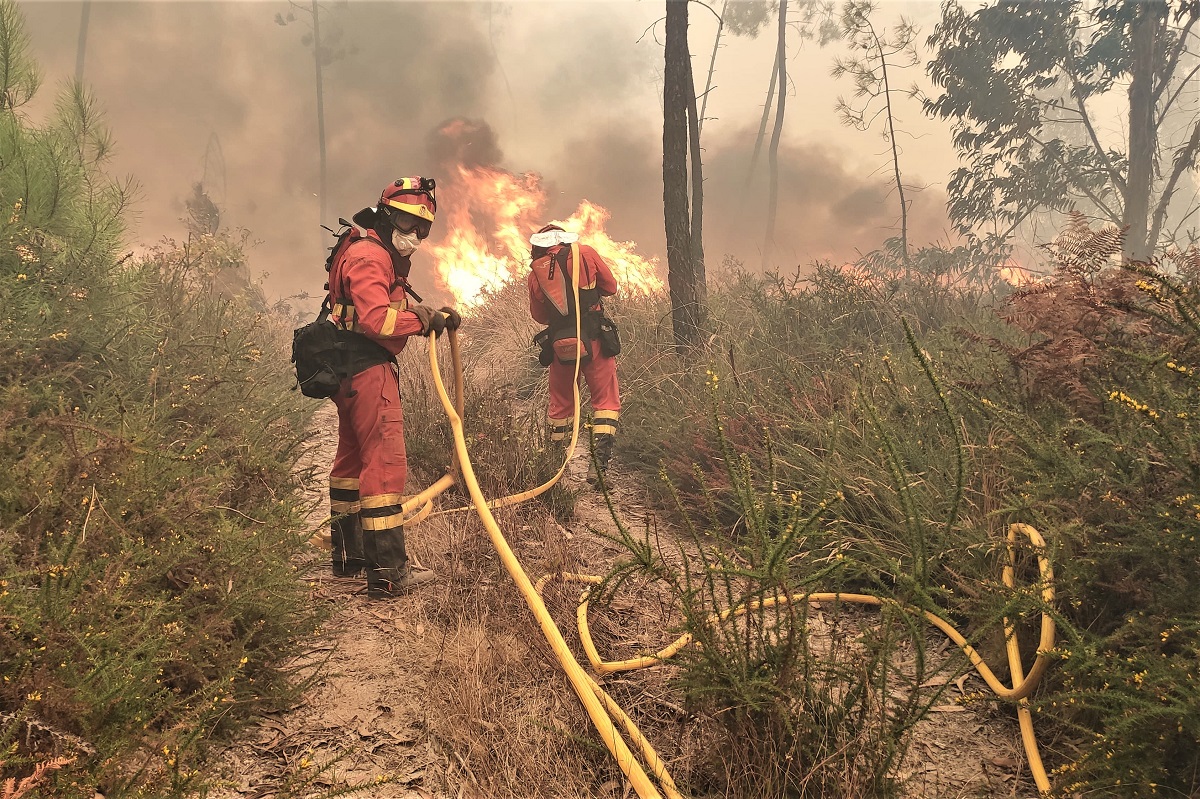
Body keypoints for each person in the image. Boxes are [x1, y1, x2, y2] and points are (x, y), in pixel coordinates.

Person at [326, 176, 462, 598]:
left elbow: (383, 305)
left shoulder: (369, 248)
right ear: (387, 215)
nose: (414, 235)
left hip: (347, 368)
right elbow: (375, 320)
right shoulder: (370, 255)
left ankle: (348, 558)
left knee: (350, 463)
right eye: (407, 223)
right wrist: (421, 322)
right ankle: (388, 574)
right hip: (368, 370)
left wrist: (429, 312)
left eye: (423, 228)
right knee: (384, 466)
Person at [526, 224, 621, 484]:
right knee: (606, 403)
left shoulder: (536, 273)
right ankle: (598, 469)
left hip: (560, 346)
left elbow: (539, 315)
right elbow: (610, 287)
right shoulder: (585, 254)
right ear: (564, 240)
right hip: (594, 340)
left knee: (561, 406)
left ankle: (556, 469)